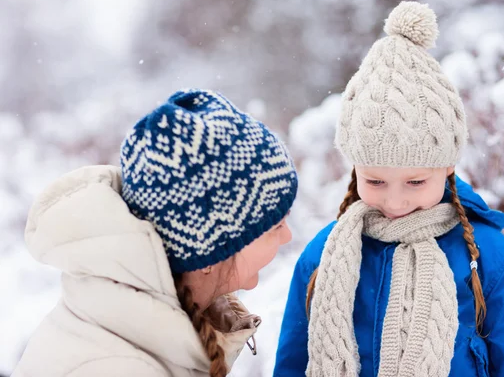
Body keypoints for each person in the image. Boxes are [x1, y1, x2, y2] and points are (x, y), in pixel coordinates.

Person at [274, 2, 504, 376]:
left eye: (415, 182)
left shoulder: (489, 258)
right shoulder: (325, 255)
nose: (395, 201)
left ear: (448, 166)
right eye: (375, 181)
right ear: (355, 171)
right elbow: (291, 364)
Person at [12, 89, 298, 377]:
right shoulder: (117, 367)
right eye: (275, 226)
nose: (288, 236)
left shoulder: (146, 331)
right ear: (210, 249)